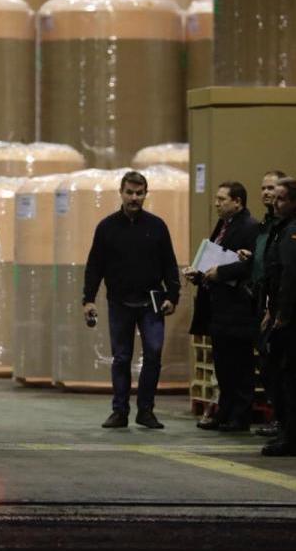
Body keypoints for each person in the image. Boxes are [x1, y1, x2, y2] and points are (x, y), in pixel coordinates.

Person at [82, 171, 181, 430]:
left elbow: (169, 263)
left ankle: (145, 411)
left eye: (139, 193)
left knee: (153, 355)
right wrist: (88, 299)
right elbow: (95, 265)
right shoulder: (106, 227)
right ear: (121, 192)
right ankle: (120, 411)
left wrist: (173, 296)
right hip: (119, 303)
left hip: (152, 303)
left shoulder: (157, 226)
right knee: (122, 358)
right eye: (130, 192)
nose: (134, 198)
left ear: (145, 194)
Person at [188, 182, 260, 432]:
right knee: (223, 365)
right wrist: (199, 273)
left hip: (238, 308)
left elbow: (251, 264)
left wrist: (221, 272)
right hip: (219, 307)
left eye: (222, 199)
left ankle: (240, 417)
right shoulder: (224, 225)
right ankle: (224, 411)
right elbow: (216, 256)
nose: (217, 204)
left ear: (238, 202)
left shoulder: (250, 228)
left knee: (240, 365)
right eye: (216, 199)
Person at [259, 177, 296, 457]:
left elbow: (293, 274)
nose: (275, 201)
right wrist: (272, 310)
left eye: (281, 198)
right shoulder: (280, 229)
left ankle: (294, 438)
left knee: (291, 374)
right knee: (282, 373)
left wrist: (282, 313)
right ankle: (289, 433)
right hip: (284, 311)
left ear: (294, 203)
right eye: (275, 197)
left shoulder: (294, 230)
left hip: (292, 314)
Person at [241, 170, 287, 439]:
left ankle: (283, 419)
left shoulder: (290, 226)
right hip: (262, 303)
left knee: (280, 365)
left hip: (279, 307)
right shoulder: (266, 226)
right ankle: (276, 416)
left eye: (272, 188)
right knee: (268, 366)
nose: (267, 193)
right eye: (264, 188)